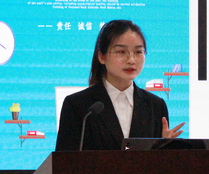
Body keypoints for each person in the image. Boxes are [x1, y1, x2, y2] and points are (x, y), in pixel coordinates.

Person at [55, 20, 185, 151]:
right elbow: (63, 160)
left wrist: (164, 149)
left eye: (138, 52)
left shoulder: (156, 106)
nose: (131, 60)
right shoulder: (78, 105)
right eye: (121, 52)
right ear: (101, 56)